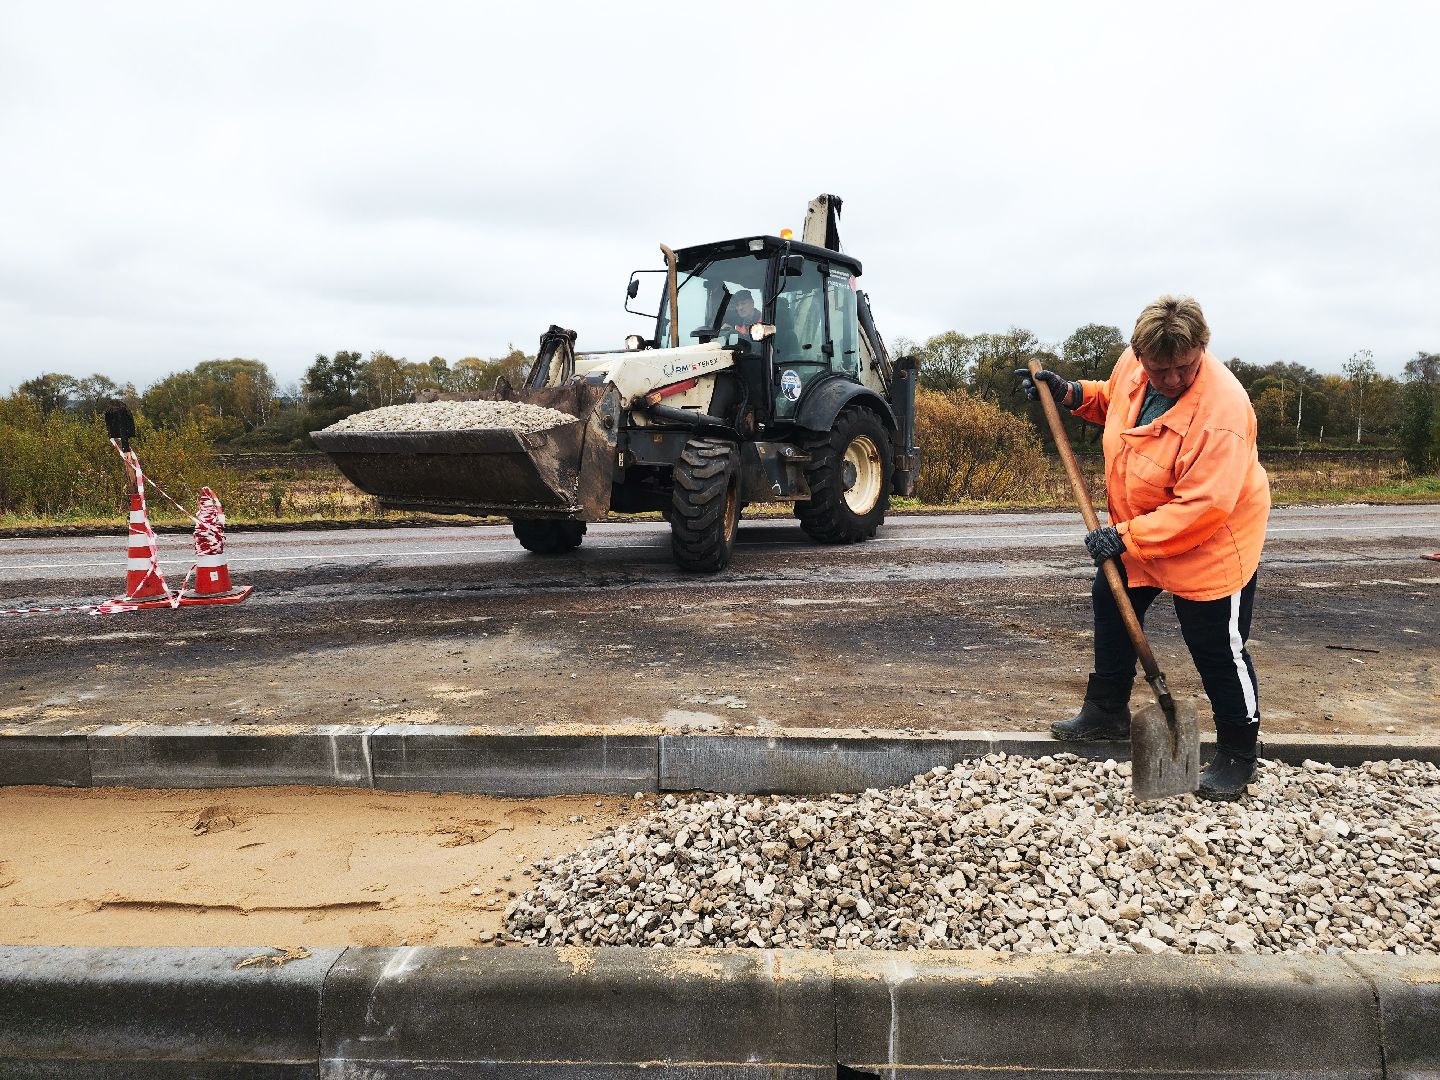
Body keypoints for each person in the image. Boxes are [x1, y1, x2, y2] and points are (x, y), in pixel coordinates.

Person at [1018, 296, 1271, 801]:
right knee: (1113, 604)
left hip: (1212, 540)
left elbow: (1204, 507)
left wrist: (1124, 537)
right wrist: (1071, 394)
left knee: (1217, 647)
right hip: (1142, 525)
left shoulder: (1222, 411)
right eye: (1160, 370)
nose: (1172, 379)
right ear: (1139, 354)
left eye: (1183, 368)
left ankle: (1239, 754)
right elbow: (1116, 401)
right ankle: (1107, 709)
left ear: (1203, 347)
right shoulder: (1136, 365)